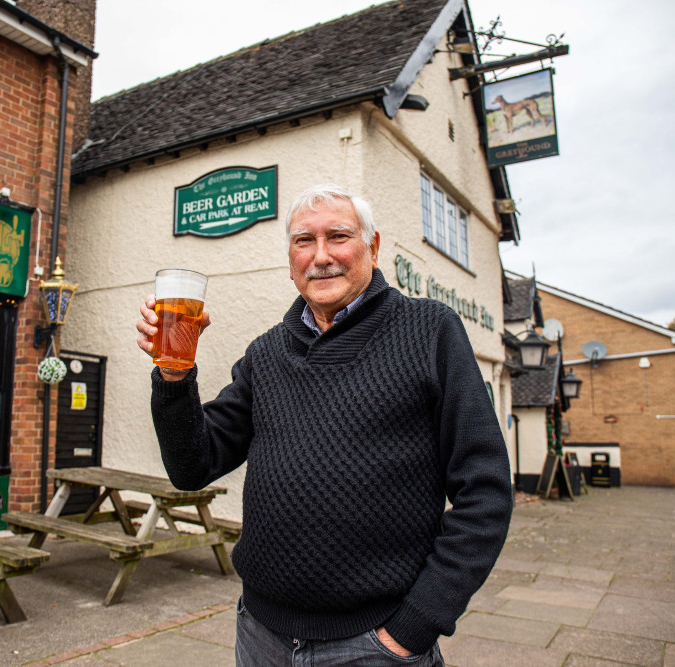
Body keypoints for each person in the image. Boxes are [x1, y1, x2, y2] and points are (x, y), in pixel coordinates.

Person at [137, 184, 513, 665]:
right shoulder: (267, 352)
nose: (320, 257)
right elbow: (193, 465)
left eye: (338, 236)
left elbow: (485, 491)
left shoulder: (430, 330)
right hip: (260, 633)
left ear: (372, 248)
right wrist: (173, 373)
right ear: (290, 258)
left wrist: (416, 625)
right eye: (303, 241)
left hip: (375, 644)